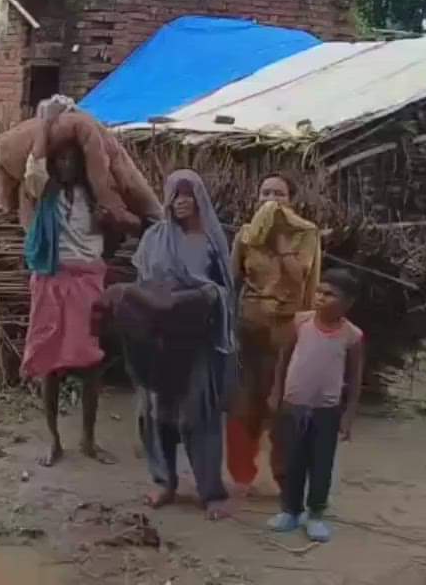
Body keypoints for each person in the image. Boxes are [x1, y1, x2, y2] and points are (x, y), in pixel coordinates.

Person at [107, 169, 237, 520]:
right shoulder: (154, 237)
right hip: (157, 336)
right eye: (175, 194)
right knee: (154, 413)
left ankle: (211, 491)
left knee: (199, 414)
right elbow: (144, 283)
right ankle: (164, 481)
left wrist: (198, 297)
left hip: (196, 338)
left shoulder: (211, 241)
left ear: (199, 199)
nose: (181, 201)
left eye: (188, 194)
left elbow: (225, 291)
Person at [21, 133, 115, 468]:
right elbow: (32, 173)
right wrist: (46, 123)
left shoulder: (95, 196)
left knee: (91, 364)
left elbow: (113, 234)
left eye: (72, 158)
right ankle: (53, 439)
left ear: (82, 162)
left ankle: (88, 440)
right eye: (59, 159)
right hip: (52, 280)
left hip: (88, 282)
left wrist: (107, 219)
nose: (66, 165)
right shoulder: (44, 194)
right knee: (51, 364)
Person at [227, 173, 322, 497]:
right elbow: (233, 279)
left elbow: (300, 278)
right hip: (249, 326)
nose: (271, 199)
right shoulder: (246, 235)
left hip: (286, 329)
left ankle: (285, 478)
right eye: (265, 192)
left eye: (279, 194)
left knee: (283, 404)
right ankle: (243, 474)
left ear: (290, 201)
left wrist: (281, 244)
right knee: (246, 402)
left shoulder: (304, 235)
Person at [267, 269, 364, 543]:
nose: (321, 297)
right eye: (319, 291)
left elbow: (355, 380)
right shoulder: (300, 323)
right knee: (292, 461)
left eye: (330, 294)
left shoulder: (353, 336)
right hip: (294, 405)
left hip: (326, 411)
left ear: (348, 303)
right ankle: (290, 511)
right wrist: (276, 393)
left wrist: (348, 416)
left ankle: (316, 515)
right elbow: (283, 359)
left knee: (321, 464)